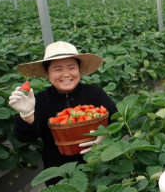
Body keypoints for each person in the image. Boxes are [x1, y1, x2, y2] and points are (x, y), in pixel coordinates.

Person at [9, 41, 117, 181]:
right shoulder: (40, 100)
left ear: (79, 70)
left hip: (99, 167)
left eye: (71, 67)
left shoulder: (95, 93)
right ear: (47, 73)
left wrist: (105, 137)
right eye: (58, 69)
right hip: (59, 173)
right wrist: (26, 115)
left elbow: (116, 118)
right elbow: (25, 138)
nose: (66, 74)